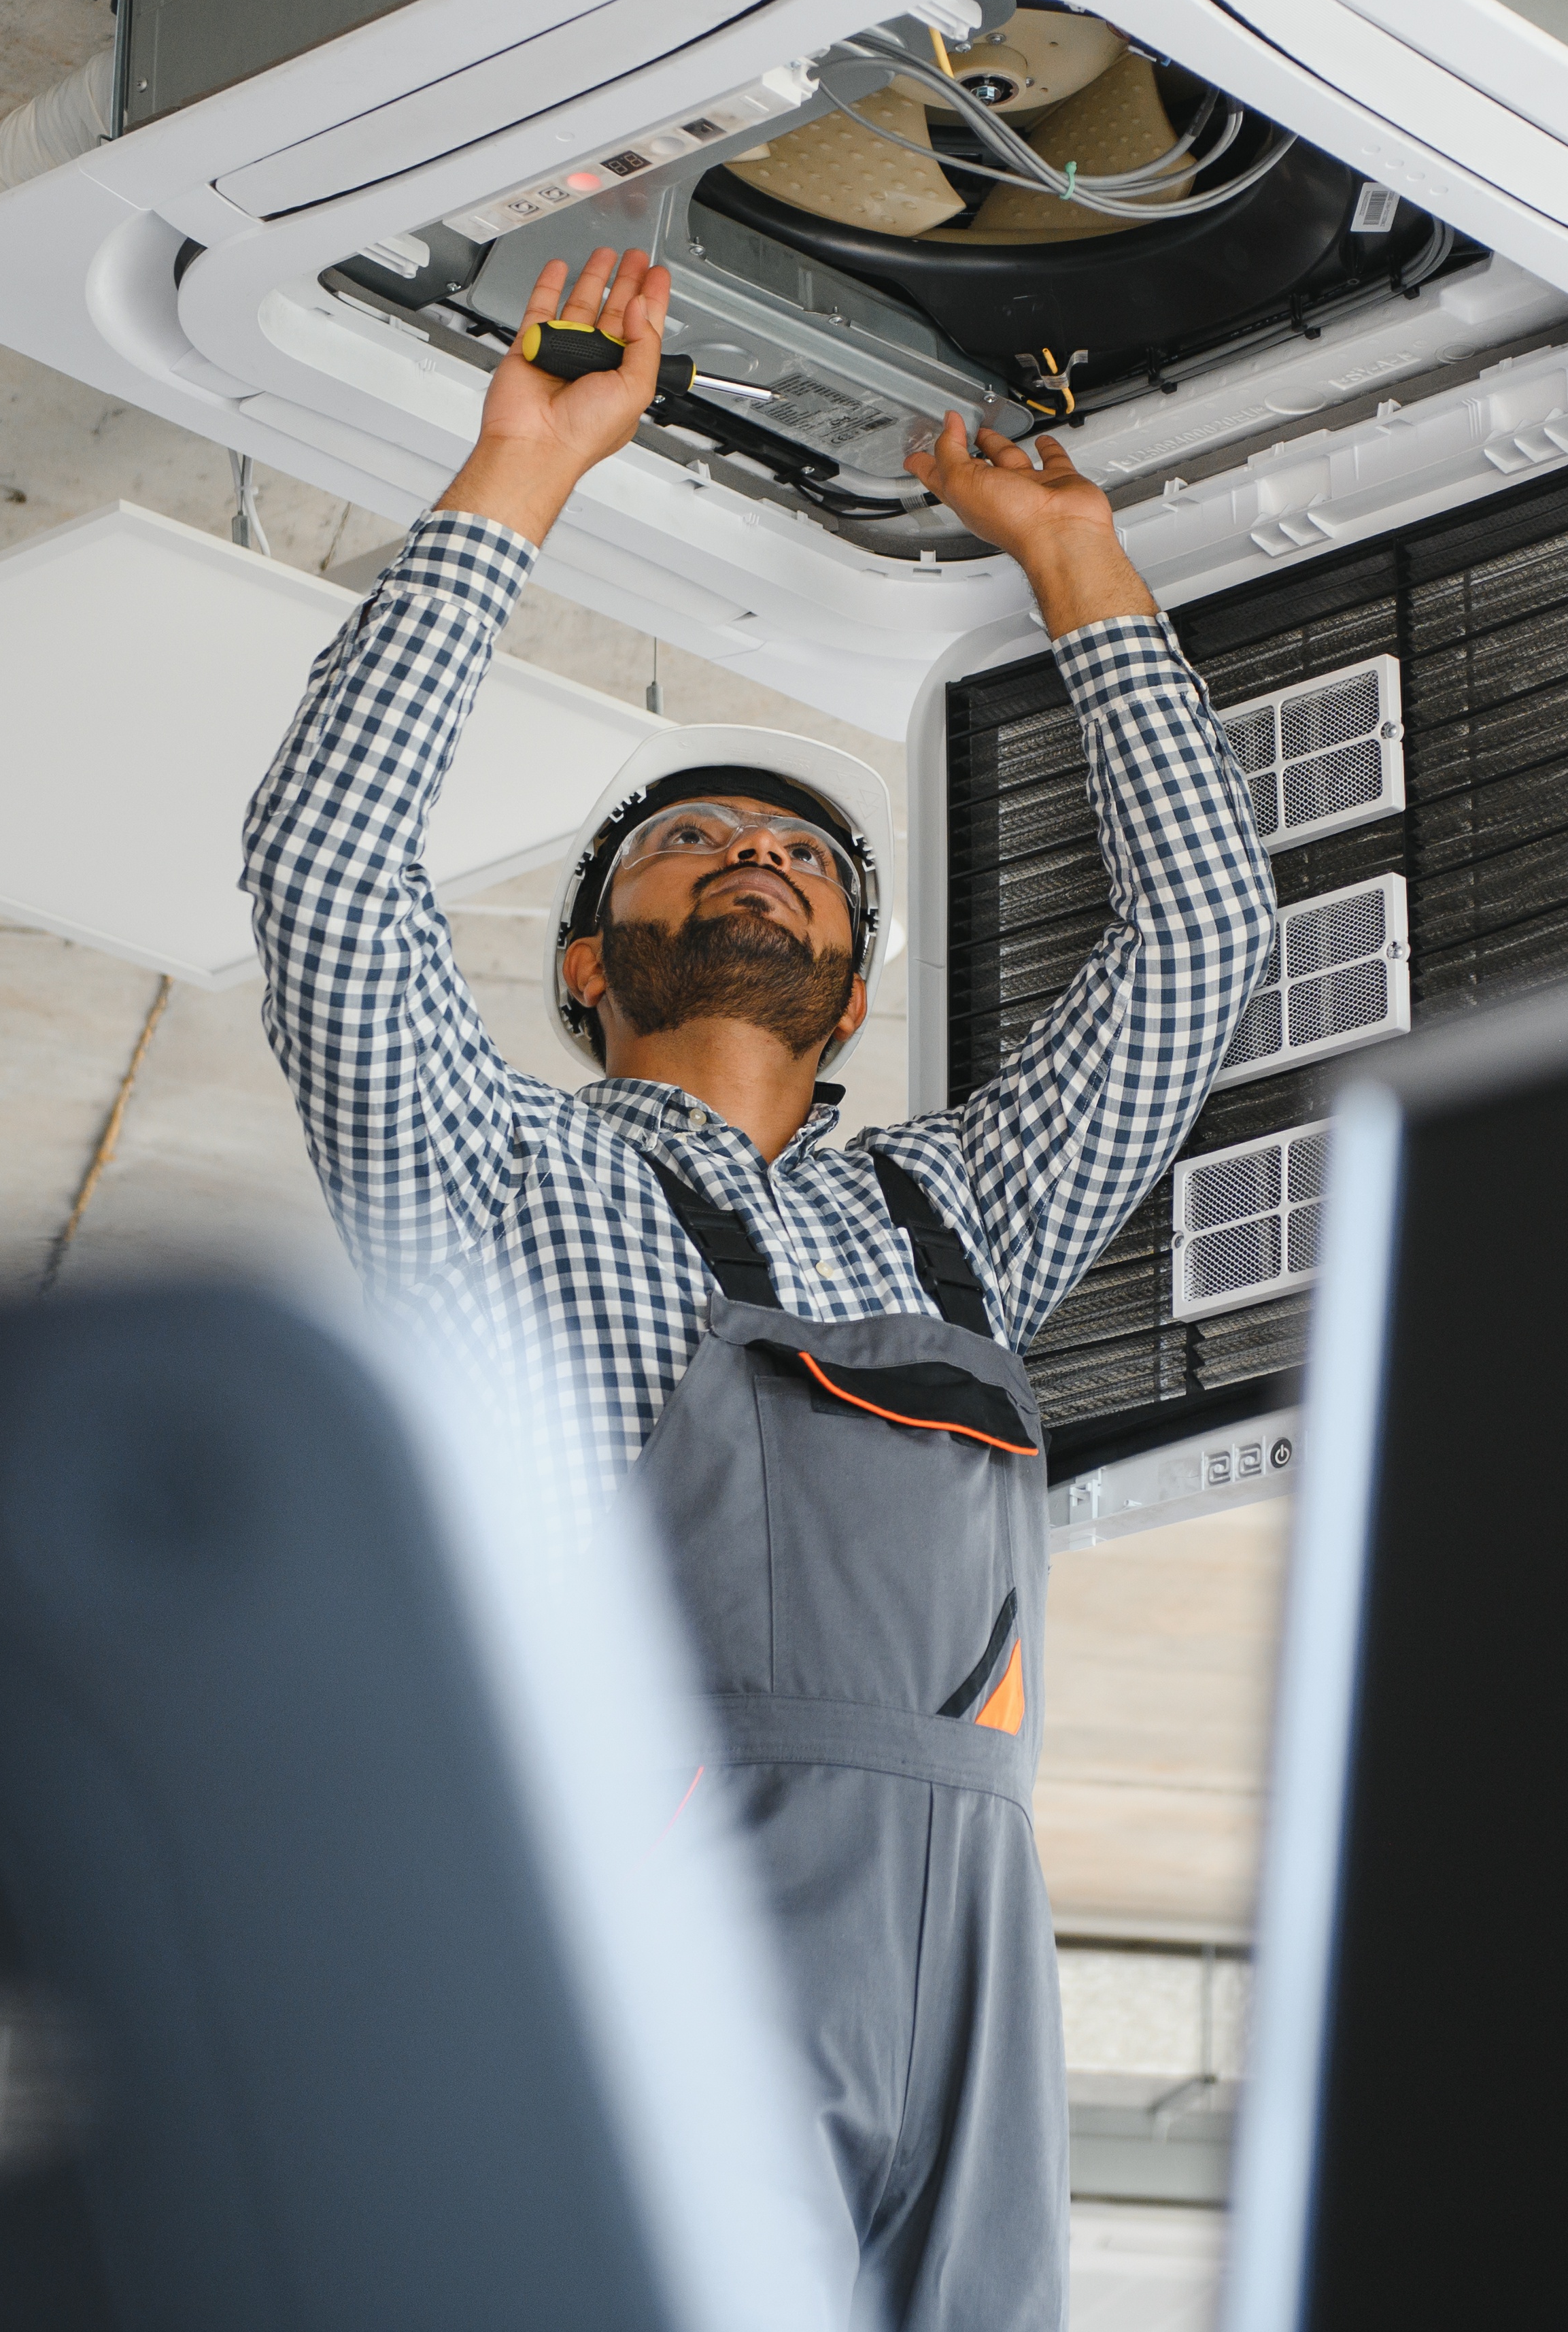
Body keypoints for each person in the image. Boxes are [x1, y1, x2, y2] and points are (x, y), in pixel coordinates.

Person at [241, 245, 1278, 2330]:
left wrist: (1077, 562)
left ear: (860, 991)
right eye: (693, 838)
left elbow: (1204, 941)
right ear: (582, 963)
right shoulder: (486, 1165)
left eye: (806, 856)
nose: (759, 857)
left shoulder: (958, 1213)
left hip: (970, 1914)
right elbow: (326, 871)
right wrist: (524, 468)